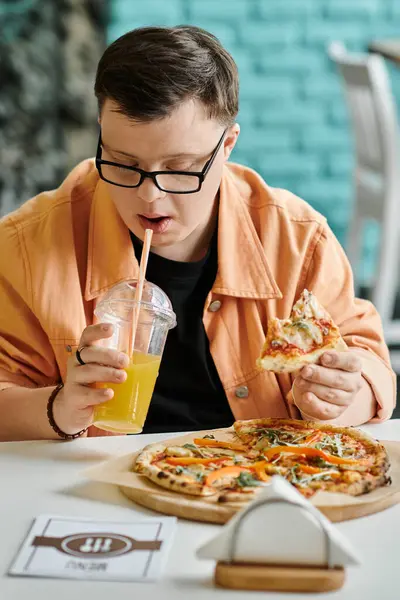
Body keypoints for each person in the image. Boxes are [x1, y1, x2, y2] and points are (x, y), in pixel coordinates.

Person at [0, 26, 396, 442]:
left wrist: (343, 397)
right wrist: (58, 408)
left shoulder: (296, 239)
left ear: (227, 146)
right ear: (101, 128)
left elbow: (367, 360)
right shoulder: (26, 245)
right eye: (122, 162)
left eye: (178, 167)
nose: (149, 195)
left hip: (253, 487)